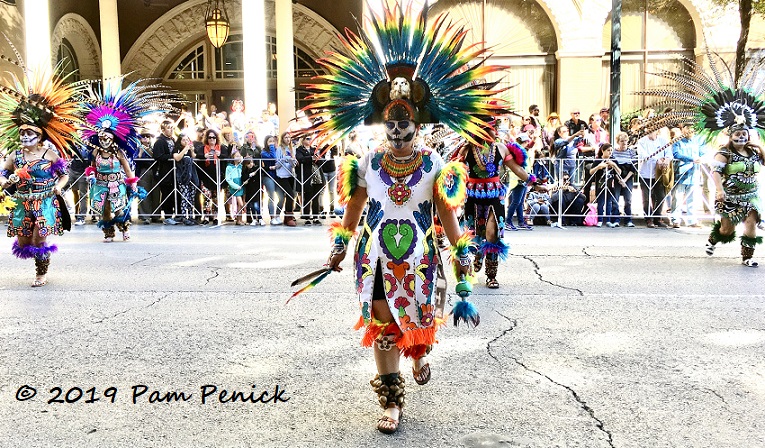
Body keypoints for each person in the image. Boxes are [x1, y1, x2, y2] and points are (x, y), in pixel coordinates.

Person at [304, 1, 508, 435]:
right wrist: (338, 248)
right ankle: (392, 401)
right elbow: (353, 211)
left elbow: (447, 215)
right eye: (390, 125)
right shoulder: (365, 162)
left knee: (415, 319)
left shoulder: (436, 165)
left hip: (420, 255)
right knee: (381, 319)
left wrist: (462, 251)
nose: (397, 133)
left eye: (405, 125)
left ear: (418, 125)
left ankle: (419, 352)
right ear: (381, 124)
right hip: (375, 256)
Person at [0, 56, 84, 286]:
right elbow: (3, 174)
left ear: (40, 137)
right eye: (23, 133)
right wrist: (6, 181)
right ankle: (38, 263)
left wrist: (58, 186)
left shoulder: (49, 155)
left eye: (31, 134)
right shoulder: (14, 156)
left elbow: (65, 174)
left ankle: (41, 273)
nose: (26, 137)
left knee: (39, 238)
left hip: (46, 201)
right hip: (23, 201)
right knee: (25, 241)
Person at [706, 126, 764, 266]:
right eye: (738, 134)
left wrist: (759, 147)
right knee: (726, 231)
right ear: (731, 137)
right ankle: (713, 239)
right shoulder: (724, 153)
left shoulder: (753, 152)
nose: (741, 137)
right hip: (730, 197)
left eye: (744, 133)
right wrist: (720, 190)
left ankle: (747, 257)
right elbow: (716, 172)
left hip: (751, 196)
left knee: (751, 223)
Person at [87, 130, 139, 241]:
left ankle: (125, 228)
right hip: (101, 185)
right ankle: (109, 232)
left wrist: (133, 183)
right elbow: (93, 166)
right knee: (104, 210)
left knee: (119, 209)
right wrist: (91, 174)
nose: (103, 141)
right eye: (101, 139)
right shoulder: (96, 152)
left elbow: (127, 169)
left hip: (116, 184)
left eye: (105, 139)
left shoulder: (118, 152)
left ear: (112, 139)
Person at [671, 123, 705, 228]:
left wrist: (701, 158)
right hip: (681, 173)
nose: (689, 131)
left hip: (694, 172)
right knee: (677, 198)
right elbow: (676, 154)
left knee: (693, 198)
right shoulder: (677, 141)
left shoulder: (698, 141)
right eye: (687, 129)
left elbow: (703, 152)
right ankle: (675, 220)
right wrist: (691, 159)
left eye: (691, 129)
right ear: (683, 130)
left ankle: (692, 221)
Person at [636, 130, 672, 228]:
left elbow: (669, 154)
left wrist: (666, 161)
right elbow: (643, 155)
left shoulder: (663, 141)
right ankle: (648, 218)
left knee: (660, 196)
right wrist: (657, 160)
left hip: (659, 174)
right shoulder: (642, 141)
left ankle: (657, 217)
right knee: (646, 198)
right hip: (645, 173)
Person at [153, 120, 180, 225]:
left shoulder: (173, 140)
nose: (171, 130)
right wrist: (171, 157)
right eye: (168, 128)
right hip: (164, 171)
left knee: (174, 193)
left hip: (173, 171)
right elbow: (158, 156)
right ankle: (167, 215)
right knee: (166, 193)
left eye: (172, 128)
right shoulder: (159, 141)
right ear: (163, 129)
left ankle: (176, 214)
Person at [587, 144, 620, 227]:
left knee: (609, 202)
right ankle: (600, 220)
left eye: (611, 150)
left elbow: (619, 172)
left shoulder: (613, 160)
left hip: (610, 184)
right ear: (603, 151)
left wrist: (614, 165)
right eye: (608, 150)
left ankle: (608, 220)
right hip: (600, 184)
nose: (610, 152)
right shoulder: (598, 160)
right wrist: (599, 167)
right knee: (600, 202)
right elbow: (591, 172)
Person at [611, 132, 637, 227]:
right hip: (617, 177)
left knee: (628, 199)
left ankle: (628, 220)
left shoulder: (631, 152)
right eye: (622, 141)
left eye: (625, 141)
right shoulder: (614, 152)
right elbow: (613, 167)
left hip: (628, 177)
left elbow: (633, 168)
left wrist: (625, 180)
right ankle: (616, 219)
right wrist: (619, 179)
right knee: (615, 199)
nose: (624, 143)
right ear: (618, 142)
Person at [172, 134, 199, 225]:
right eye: (183, 140)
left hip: (192, 175)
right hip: (182, 175)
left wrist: (191, 150)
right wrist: (185, 149)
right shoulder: (177, 149)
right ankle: (184, 216)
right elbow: (177, 158)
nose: (186, 141)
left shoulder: (190, 149)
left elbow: (194, 157)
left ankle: (191, 216)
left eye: (187, 140)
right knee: (185, 196)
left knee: (191, 197)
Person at [275, 132, 297, 226]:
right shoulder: (279, 149)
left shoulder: (292, 149)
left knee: (291, 195)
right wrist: (284, 159)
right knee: (289, 194)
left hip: (290, 174)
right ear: (282, 139)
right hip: (282, 175)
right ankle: (288, 216)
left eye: (289, 137)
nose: (288, 139)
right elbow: (277, 164)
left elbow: (294, 164)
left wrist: (292, 161)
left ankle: (288, 216)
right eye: (286, 137)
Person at [225, 151, 246, 225]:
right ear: (233, 157)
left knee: (240, 204)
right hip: (235, 186)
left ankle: (239, 219)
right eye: (236, 156)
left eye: (239, 156)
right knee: (240, 203)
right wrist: (235, 186)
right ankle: (238, 218)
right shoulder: (229, 167)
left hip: (241, 185)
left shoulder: (241, 166)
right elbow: (228, 179)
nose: (238, 157)